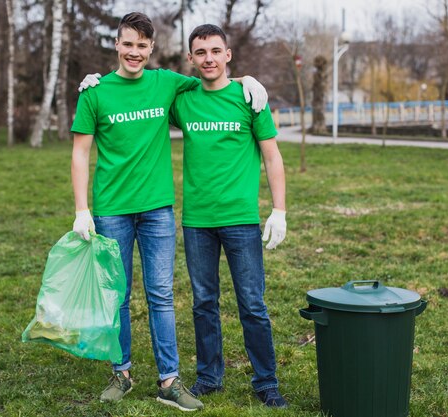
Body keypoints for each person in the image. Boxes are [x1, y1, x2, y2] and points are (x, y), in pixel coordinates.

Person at [70, 12, 267, 411]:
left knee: (161, 295)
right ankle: (121, 373)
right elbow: (79, 153)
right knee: (118, 296)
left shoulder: (166, 83)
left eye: (142, 46)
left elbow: (213, 81)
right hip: (111, 210)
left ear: (151, 49)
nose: (135, 52)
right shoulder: (95, 92)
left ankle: (169, 381)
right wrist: (81, 209)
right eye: (128, 44)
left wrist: (248, 79)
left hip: (159, 209)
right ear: (117, 45)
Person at [168, 24, 288, 408]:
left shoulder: (248, 97)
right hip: (197, 220)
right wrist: (100, 82)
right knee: (204, 302)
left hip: (240, 219)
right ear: (191, 58)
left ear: (228, 55)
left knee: (252, 302)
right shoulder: (183, 100)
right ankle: (209, 376)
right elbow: (140, 93)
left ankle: (265, 380)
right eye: (200, 52)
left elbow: (271, 154)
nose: (208, 59)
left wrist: (279, 210)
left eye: (215, 51)